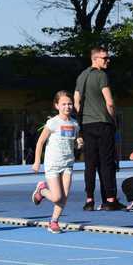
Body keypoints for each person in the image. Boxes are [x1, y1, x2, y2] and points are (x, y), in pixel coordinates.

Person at [73, 46, 125, 211]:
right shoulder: (102, 75)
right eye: (104, 58)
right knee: (107, 163)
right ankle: (110, 200)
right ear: (95, 59)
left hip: (87, 125)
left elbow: (76, 100)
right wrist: (113, 119)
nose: (107, 60)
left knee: (90, 164)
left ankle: (89, 200)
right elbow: (109, 101)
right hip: (103, 123)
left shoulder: (82, 76)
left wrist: (82, 119)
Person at [31, 91, 82, 233]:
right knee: (56, 197)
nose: (67, 106)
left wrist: (79, 143)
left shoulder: (74, 124)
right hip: (53, 164)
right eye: (64, 104)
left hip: (68, 164)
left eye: (70, 104)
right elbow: (40, 142)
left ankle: (54, 222)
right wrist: (37, 162)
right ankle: (41, 190)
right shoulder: (52, 123)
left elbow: (75, 141)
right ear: (57, 106)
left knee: (64, 196)